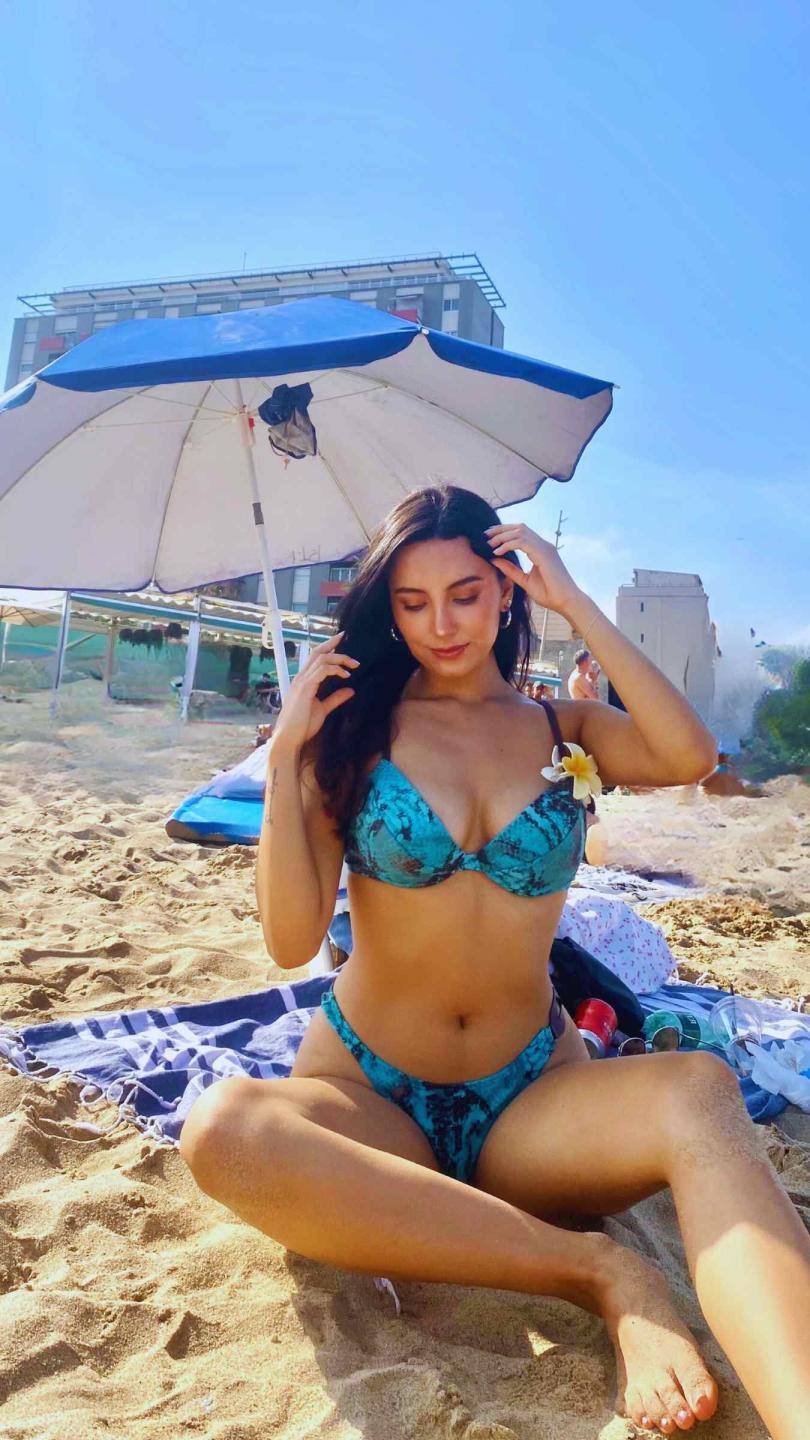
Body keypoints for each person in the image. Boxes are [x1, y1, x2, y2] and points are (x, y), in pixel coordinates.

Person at [179, 485, 810, 1438]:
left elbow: (688, 754)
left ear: (507, 590)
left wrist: (576, 603)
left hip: (531, 1101)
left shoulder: (563, 731)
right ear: (389, 610)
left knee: (701, 1091)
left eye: (466, 593)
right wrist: (283, 759)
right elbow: (291, 940)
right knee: (224, 1127)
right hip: (373, 1099)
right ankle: (601, 1272)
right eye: (413, 602)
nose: (442, 624)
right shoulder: (351, 732)